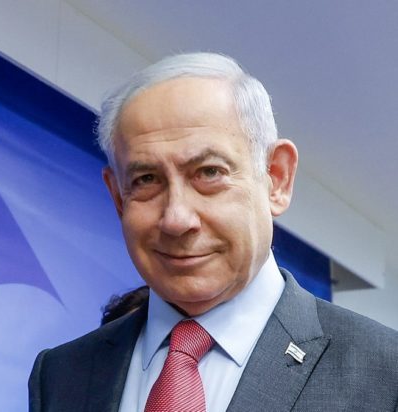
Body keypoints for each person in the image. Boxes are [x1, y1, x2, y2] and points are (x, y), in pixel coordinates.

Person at [28, 52, 398, 411]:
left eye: (209, 172)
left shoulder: (384, 373)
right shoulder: (61, 376)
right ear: (117, 197)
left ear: (276, 178)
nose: (176, 218)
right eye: (146, 179)